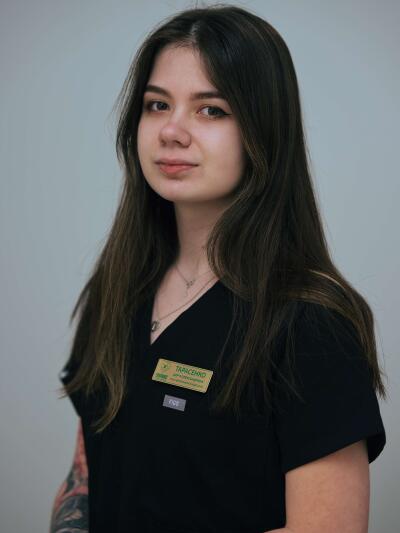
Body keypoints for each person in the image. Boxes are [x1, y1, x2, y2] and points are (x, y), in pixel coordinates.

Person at [49, 4, 387, 533]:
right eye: (157, 105)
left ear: (263, 130)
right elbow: (85, 474)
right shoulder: (115, 291)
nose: (172, 131)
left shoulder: (310, 324)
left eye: (211, 110)